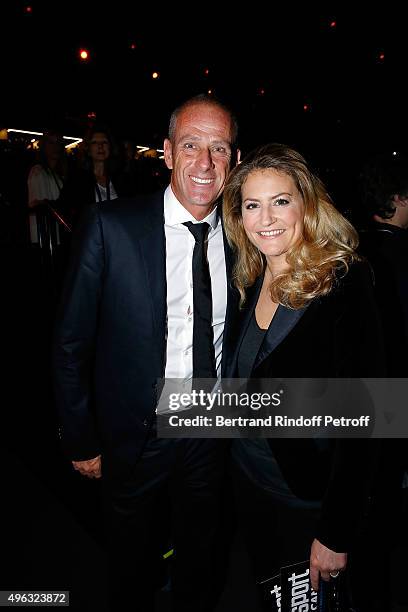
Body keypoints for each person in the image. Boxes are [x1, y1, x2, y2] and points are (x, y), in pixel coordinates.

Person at [53, 94, 240, 612]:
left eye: (219, 149)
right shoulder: (110, 227)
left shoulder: (247, 239)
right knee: (131, 566)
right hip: (133, 434)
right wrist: (80, 438)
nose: (205, 163)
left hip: (209, 432)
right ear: (166, 152)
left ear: (235, 160)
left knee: (201, 560)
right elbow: (71, 345)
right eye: (191, 146)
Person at [222, 143, 384, 608]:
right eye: (253, 204)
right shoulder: (251, 278)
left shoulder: (345, 284)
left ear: (305, 205)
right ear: (240, 216)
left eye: (281, 200)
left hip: (307, 498)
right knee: (268, 592)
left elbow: (367, 421)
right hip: (251, 482)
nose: (266, 217)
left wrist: (336, 532)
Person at [58, 125, 122, 226]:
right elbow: (62, 206)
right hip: (91, 239)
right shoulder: (77, 180)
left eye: (104, 142)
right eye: (94, 142)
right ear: (88, 149)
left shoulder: (121, 179)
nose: (100, 146)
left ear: (110, 147)